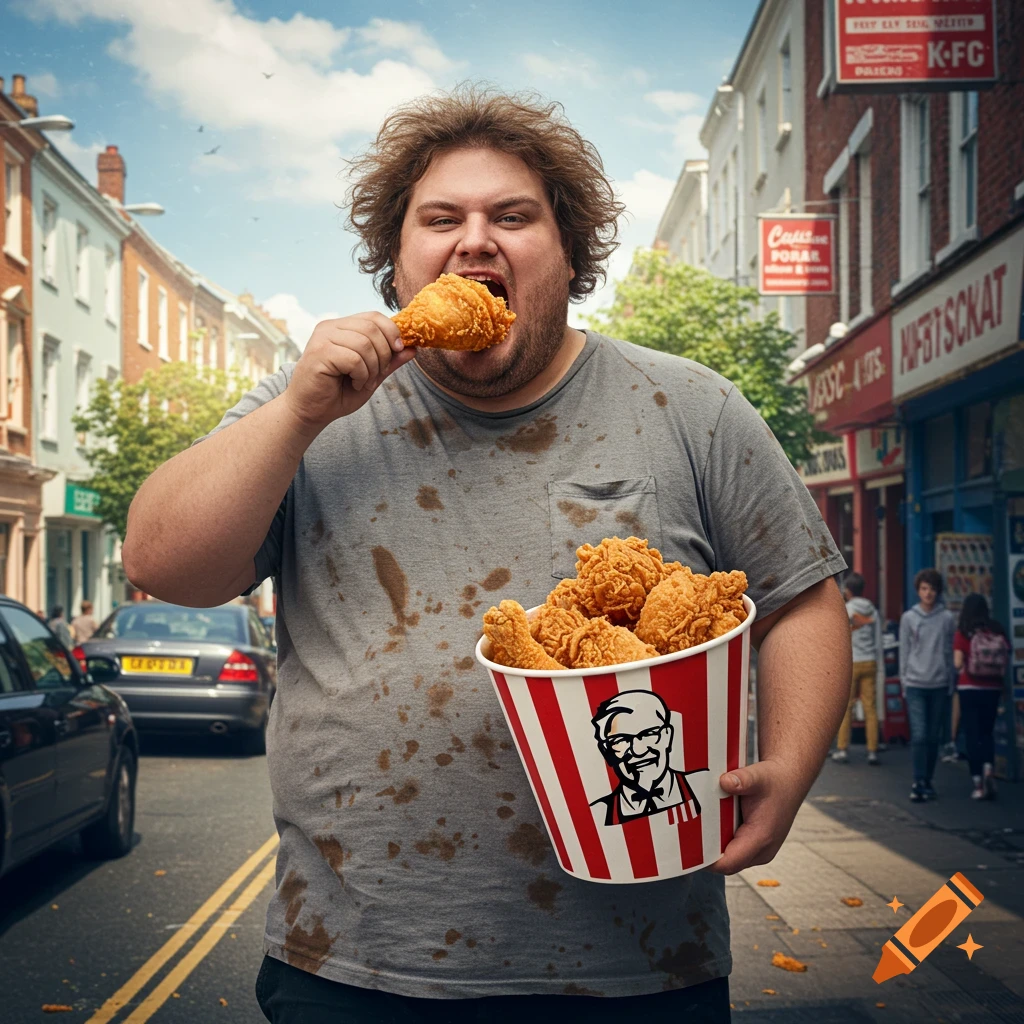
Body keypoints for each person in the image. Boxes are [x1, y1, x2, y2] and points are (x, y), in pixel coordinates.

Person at [121, 86, 851, 1024]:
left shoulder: (690, 407)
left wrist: (789, 770)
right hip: (353, 966)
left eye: (513, 216)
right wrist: (299, 412)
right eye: (440, 219)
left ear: (569, 253)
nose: (475, 240)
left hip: (639, 969)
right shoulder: (303, 409)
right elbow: (166, 564)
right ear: (397, 261)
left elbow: (801, 599)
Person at [590, 690, 704, 825]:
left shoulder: (704, 784)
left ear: (667, 736)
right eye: (621, 740)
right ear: (605, 751)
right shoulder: (597, 814)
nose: (639, 751)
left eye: (649, 733)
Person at [899, 569, 955, 802]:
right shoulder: (909, 618)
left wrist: (951, 682)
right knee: (920, 735)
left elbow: (950, 652)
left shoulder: (947, 619)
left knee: (933, 737)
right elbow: (905, 650)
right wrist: (904, 681)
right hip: (915, 683)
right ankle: (918, 780)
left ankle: (927, 781)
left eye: (932, 589)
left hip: (940, 683)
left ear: (937, 591)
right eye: (924, 589)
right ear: (918, 591)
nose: (928, 593)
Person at [953, 593, 1009, 800]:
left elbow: (957, 663)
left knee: (972, 736)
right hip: (992, 688)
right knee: (987, 732)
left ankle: (977, 784)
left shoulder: (963, 631)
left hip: (969, 688)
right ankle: (988, 767)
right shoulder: (996, 629)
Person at [832, 572, 883, 765]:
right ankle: (872, 751)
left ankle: (843, 749)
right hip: (870, 661)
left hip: (852, 662)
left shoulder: (847, 609)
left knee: (847, 707)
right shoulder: (873, 611)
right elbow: (878, 639)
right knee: (870, 708)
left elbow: (840, 639)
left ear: (848, 591)